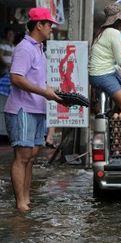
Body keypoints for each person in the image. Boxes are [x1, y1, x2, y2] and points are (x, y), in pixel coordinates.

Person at [4, 8, 62, 212]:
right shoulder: (25, 48)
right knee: (22, 156)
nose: (51, 29)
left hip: (36, 109)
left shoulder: (38, 48)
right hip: (22, 109)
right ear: (39, 25)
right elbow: (16, 77)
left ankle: (26, 199)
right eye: (49, 25)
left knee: (30, 156)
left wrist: (49, 91)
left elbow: (36, 80)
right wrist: (43, 91)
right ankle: (20, 203)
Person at [88, 3, 121, 113]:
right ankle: (117, 124)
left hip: (102, 72)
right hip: (102, 75)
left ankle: (116, 112)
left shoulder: (104, 32)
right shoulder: (114, 33)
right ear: (119, 20)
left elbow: (114, 60)